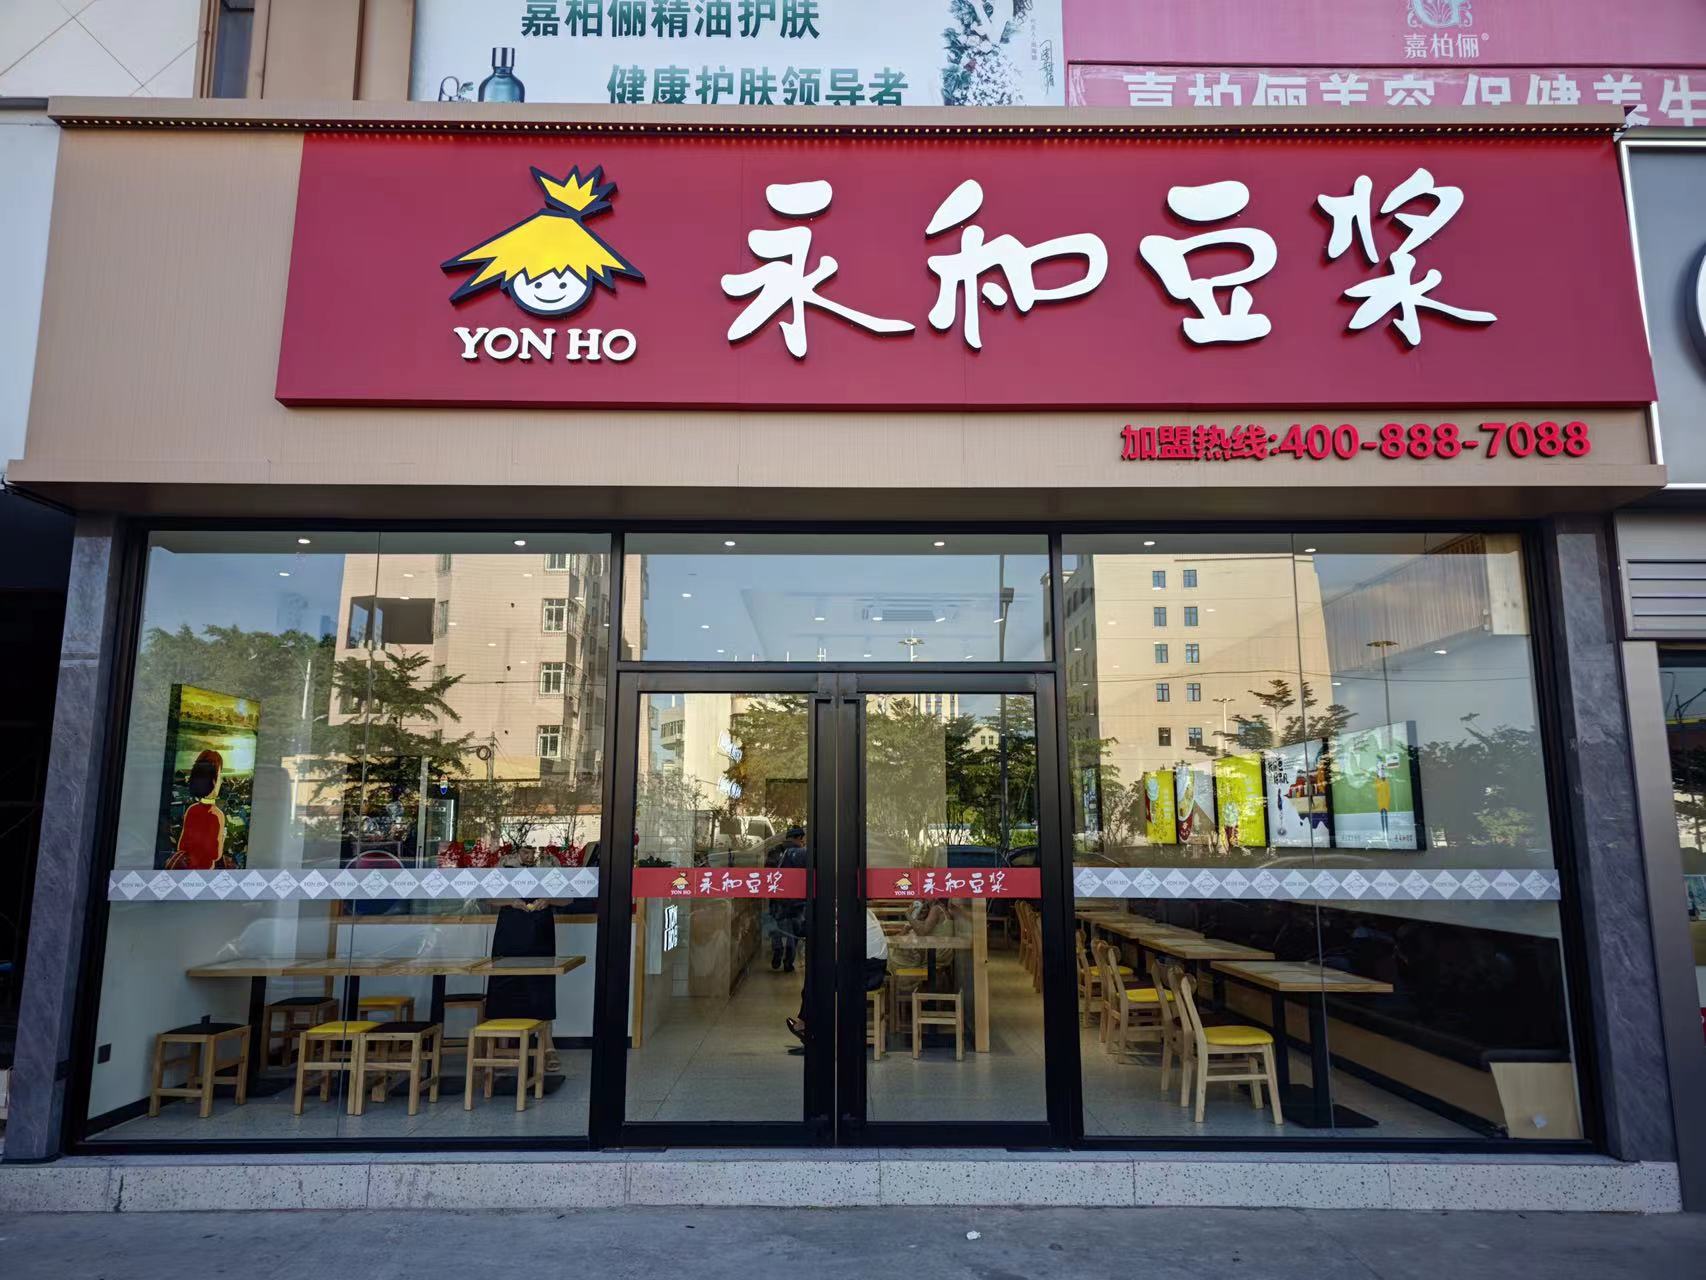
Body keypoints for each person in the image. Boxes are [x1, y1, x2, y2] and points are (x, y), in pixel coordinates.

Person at [485, 847, 562, 1072]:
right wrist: (511, 901)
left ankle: (547, 1045)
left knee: (542, 984)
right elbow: (488, 895)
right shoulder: (506, 861)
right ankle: (502, 1047)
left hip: (540, 928)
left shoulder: (550, 861)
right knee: (504, 982)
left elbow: (569, 897)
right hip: (510, 927)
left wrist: (549, 899)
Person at [784, 906, 888, 1049]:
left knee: (818, 979)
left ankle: (812, 1030)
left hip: (868, 973)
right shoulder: (857, 908)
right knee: (819, 975)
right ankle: (810, 1028)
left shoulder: (843, 911)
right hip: (874, 969)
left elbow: (838, 946)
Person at [168, 749, 230, 870]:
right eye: (219, 776)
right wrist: (222, 837)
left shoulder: (191, 810)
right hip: (205, 871)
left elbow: (181, 845)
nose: (221, 781)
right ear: (213, 781)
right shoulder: (217, 815)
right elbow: (215, 855)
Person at [767, 826, 808, 972]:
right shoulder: (803, 853)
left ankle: (777, 948)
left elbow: (768, 874)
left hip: (778, 897)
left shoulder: (774, 851)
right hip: (797, 900)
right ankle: (788, 961)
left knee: (776, 926)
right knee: (794, 930)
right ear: (799, 838)